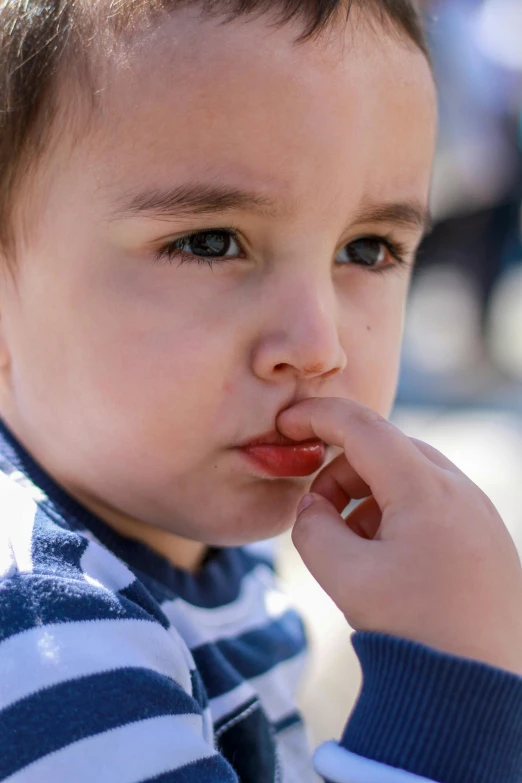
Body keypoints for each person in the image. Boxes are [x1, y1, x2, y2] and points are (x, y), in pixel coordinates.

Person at [0, 1, 521, 781]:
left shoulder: (188, 543)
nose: (318, 346)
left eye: (368, 248)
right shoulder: (47, 644)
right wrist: (449, 692)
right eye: (209, 242)